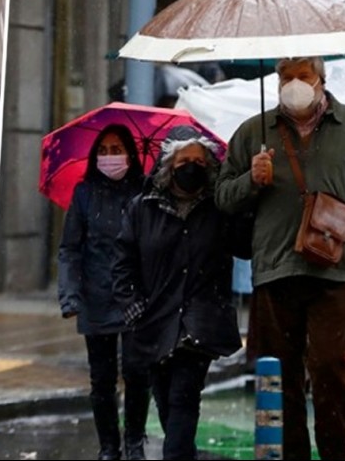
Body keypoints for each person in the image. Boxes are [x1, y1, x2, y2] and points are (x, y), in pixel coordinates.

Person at [215, 56, 345, 460]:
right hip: (277, 268)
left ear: (321, 80)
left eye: (303, 75)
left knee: (330, 366)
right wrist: (251, 179)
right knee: (282, 375)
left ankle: (335, 452)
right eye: (285, 76)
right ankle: (292, 453)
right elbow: (222, 197)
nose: (293, 83)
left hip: (338, 270)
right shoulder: (253, 132)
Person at [112, 125, 243, 461]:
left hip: (200, 322)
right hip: (154, 321)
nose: (191, 167)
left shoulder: (219, 208)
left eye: (199, 161)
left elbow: (245, 244)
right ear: (169, 164)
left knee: (184, 397)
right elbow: (123, 264)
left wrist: (250, 190)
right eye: (185, 160)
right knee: (167, 403)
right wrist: (133, 306)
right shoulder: (142, 209)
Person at [57, 124, 148, 460]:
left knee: (138, 373)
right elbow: (70, 248)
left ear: (130, 153)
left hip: (136, 300)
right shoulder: (84, 194)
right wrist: (70, 296)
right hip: (96, 297)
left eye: (117, 149)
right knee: (102, 380)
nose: (110, 157)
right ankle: (109, 446)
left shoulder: (144, 191)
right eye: (104, 151)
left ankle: (135, 441)